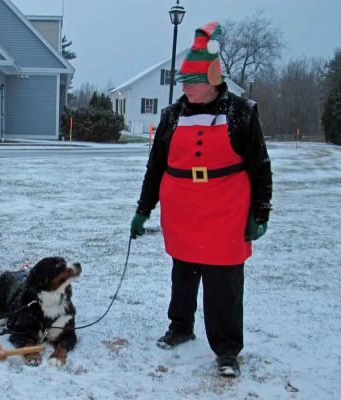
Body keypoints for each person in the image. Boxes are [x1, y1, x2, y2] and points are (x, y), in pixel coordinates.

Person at [130, 21, 272, 378]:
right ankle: (180, 326)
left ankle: (226, 350)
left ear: (212, 80)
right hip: (183, 212)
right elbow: (155, 167)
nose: (186, 88)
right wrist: (143, 210)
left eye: (192, 82)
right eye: (184, 83)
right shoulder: (171, 116)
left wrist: (260, 212)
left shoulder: (241, 113)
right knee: (183, 273)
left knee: (224, 283)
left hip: (226, 213)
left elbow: (260, 166)